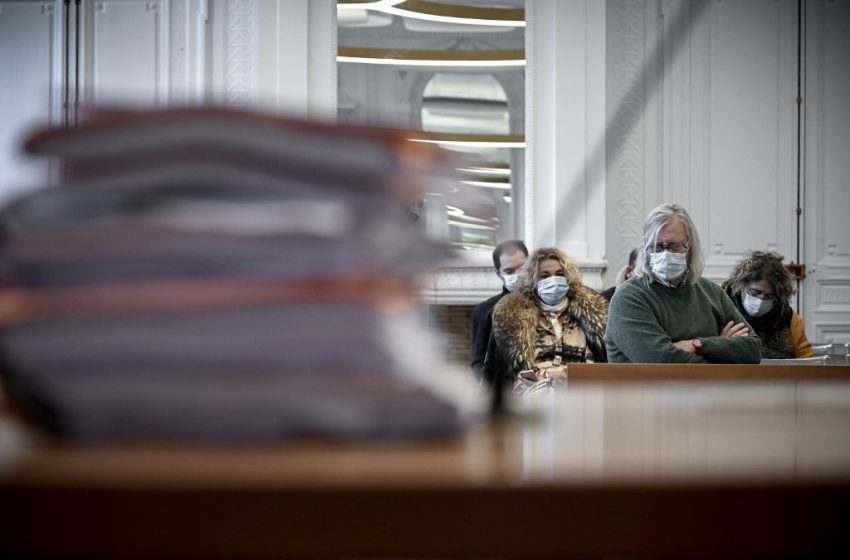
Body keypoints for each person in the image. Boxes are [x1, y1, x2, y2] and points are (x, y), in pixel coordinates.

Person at [604, 203, 761, 363]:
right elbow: (662, 361)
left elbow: (753, 349)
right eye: (656, 247)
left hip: (710, 388)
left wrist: (699, 344)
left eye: (674, 246)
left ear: (690, 247)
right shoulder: (628, 297)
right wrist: (722, 347)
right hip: (646, 388)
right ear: (646, 250)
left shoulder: (711, 292)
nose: (665, 254)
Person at [482, 247, 608, 392]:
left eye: (559, 274)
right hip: (530, 398)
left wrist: (567, 376)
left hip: (582, 395)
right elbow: (496, 372)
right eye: (545, 276)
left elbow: (604, 366)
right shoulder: (510, 316)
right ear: (533, 279)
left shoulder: (592, 312)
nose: (553, 280)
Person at [721, 251, 815, 359]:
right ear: (740, 287)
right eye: (755, 293)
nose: (760, 301)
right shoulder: (720, 308)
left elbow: (808, 362)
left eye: (769, 296)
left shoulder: (789, 319)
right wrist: (720, 344)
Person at [470, 240, 529, 381]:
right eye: (509, 271)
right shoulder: (485, 310)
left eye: (522, 268)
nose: (518, 274)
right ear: (498, 273)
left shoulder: (548, 303)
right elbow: (479, 362)